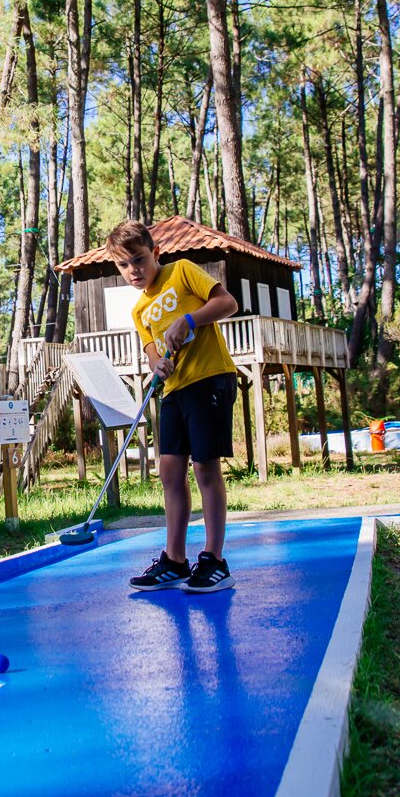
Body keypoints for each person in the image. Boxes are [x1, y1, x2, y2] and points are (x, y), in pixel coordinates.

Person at [105, 220, 241, 593]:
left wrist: (189, 319)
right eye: (124, 265)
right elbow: (151, 355)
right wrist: (157, 365)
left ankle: (214, 560)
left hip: (209, 378)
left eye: (139, 259)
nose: (134, 270)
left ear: (156, 253)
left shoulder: (181, 271)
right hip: (174, 390)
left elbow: (227, 302)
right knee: (169, 471)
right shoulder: (139, 311)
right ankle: (176, 560)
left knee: (205, 468)